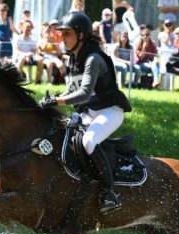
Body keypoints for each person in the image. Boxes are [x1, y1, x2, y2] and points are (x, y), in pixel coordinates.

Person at [37, 12, 131, 214]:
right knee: (62, 136)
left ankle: (110, 191)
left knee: (88, 141)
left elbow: (84, 93)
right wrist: (52, 98)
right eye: (61, 34)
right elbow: (71, 91)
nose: (62, 38)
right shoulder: (73, 59)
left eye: (67, 34)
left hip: (109, 111)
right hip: (90, 112)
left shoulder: (93, 59)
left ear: (81, 35)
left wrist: (57, 100)